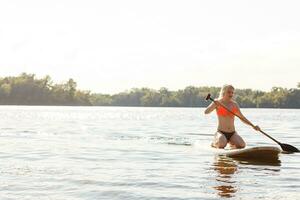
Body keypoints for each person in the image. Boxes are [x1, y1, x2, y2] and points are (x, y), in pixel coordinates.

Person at [204, 84, 261, 149]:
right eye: (229, 92)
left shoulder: (234, 105)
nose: (231, 94)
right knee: (222, 144)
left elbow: (242, 118)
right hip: (221, 132)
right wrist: (213, 104)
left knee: (242, 145)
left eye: (232, 92)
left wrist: (253, 126)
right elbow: (206, 112)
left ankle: (230, 143)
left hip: (232, 133)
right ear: (223, 92)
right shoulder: (217, 102)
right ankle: (215, 142)